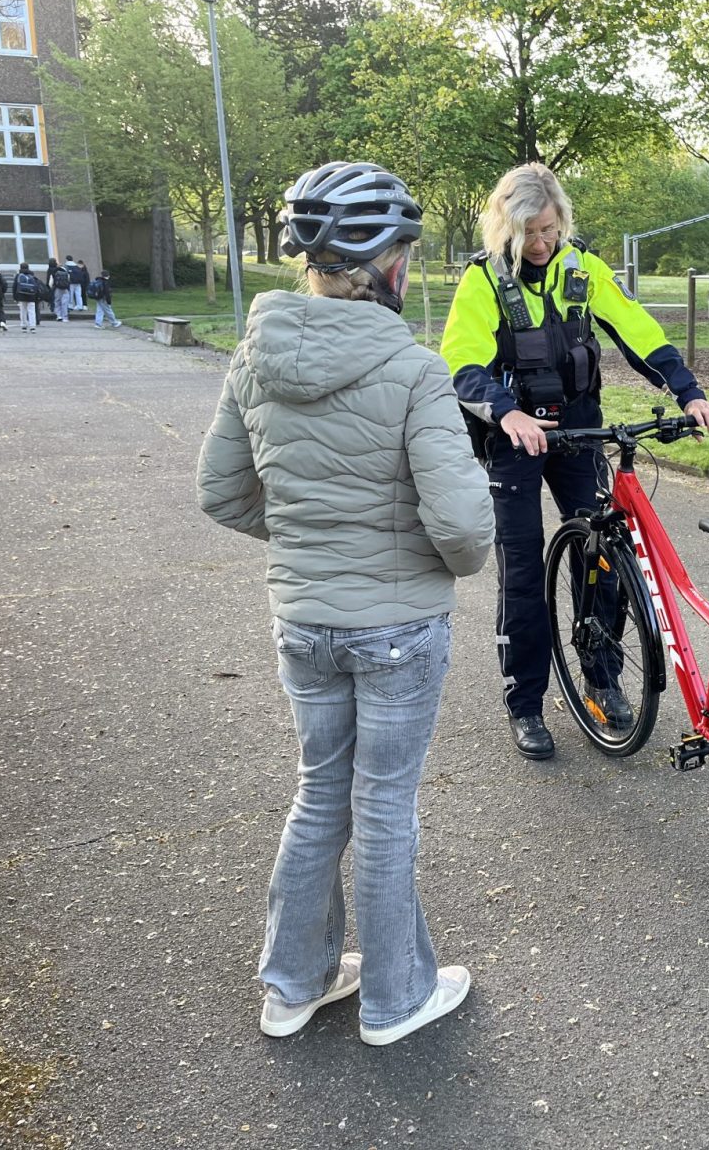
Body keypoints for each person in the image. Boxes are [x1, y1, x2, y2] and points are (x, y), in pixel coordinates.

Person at [197, 160, 493, 1047]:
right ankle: (396, 998)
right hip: (398, 628)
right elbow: (464, 528)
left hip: (304, 621)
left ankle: (293, 985)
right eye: (405, 249)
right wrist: (407, 558)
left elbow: (221, 493)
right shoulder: (412, 368)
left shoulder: (255, 356)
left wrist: (311, 546)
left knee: (320, 793)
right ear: (386, 263)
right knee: (386, 808)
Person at [440, 162, 709, 761]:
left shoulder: (582, 267)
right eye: (529, 234)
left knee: (606, 557)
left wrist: (689, 391)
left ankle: (602, 678)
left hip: (577, 427)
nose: (541, 244)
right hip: (512, 436)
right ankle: (526, 703)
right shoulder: (483, 282)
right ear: (506, 230)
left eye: (549, 229)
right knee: (522, 572)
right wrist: (505, 413)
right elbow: (461, 363)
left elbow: (638, 330)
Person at [12, 262, 40, 332]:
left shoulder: (18, 275)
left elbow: (14, 287)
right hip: (31, 296)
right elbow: (36, 287)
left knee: (23, 311)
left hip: (21, 296)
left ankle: (24, 326)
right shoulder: (32, 275)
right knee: (31, 311)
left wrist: (15, 297)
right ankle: (32, 326)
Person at [49, 257, 72, 321]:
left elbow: (50, 283)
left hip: (57, 288)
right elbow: (69, 280)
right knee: (64, 303)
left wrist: (52, 287)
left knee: (57, 302)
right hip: (65, 289)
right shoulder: (66, 272)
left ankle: (59, 316)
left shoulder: (54, 272)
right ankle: (65, 317)